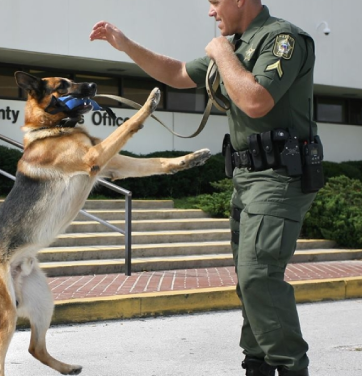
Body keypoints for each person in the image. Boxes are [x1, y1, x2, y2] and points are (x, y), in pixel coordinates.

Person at [90, 1, 319, 375]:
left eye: (215, 2)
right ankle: (256, 365)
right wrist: (125, 44)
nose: (211, 12)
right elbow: (179, 73)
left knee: (258, 276)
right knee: (250, 283)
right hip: (246, 179)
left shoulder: (281, 38)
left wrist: (222, 52)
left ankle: (291, 368)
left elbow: (256, 100)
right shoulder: (239, 43)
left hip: (279, 176)